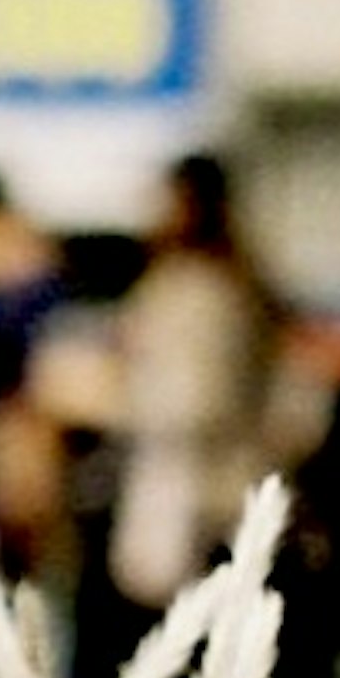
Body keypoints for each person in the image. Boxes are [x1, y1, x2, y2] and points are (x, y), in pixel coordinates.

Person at [104, 149, 289, 631]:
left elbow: (195, 399)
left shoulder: (199, 289)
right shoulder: (233, 281)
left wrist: (105, 398)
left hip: (196, 498)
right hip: (219, 489)